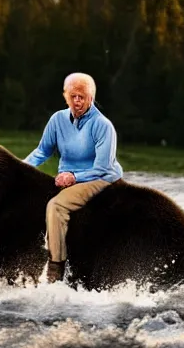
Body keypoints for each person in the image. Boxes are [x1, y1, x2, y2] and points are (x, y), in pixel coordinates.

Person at [24, 72, 123, 283]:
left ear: (91, 98)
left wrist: (74, 176)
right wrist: (19, 169)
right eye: (73, 96)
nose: (77, 101)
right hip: (67, 176)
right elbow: (42, 151)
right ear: (65, 96)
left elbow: (103, 166)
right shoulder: (57, 119)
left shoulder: (103, 125)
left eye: (82, 96)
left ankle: (56, 267)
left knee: (56, 206)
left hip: (100, 177)